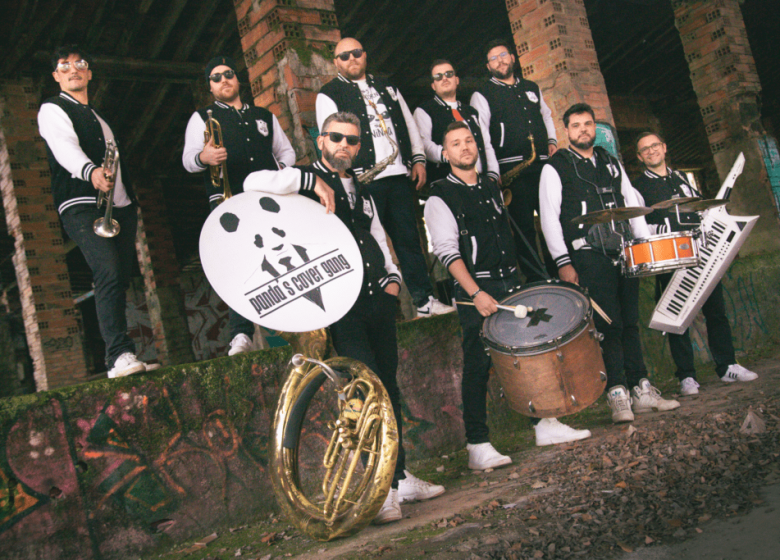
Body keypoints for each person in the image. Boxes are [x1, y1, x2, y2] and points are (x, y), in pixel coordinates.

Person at [243, 112, 445, 525]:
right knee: (363, 393)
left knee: (388, 388)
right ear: (321, 141)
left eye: (351, 141)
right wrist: (306, 181)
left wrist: (393, 278)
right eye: (335, 138)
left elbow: (374, 236)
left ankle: (400, 476)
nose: (344, 146)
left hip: (378, 299)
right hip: (339, 306)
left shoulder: (363, 189)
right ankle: (379, 490)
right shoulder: (299, 180)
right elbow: (250, 184)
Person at [425, 121, 591, 467]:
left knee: (528, 355)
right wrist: (475, 292)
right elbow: (447, 251)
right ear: (445, 153)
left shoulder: (490, 185)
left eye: (468, 140)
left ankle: (544, 424)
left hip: (511, 283)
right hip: (478, 290)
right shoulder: (439, 195)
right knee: (478, 364)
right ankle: (477, 445)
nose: (464, 147)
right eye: (455, 143)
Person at [539, 104, 680, 423]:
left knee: (630, 321)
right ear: (567, 131)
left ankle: (641, 389)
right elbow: (549, 216)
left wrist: (642, 247)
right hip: (587, 253)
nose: (583, 130)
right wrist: (563, 261)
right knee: (608, 324)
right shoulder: (555, 166)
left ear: (594, 128)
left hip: (623, 250)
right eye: (576, 126)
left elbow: (631, 202)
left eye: (588, 124)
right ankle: (617, 392)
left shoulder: (611, 162)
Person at [316, 38, 455, 318]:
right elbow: (331, 139)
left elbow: (408, 123)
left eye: (356, 53)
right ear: (336, 62)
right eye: (344, 56)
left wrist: (417, 158)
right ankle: (383, 312)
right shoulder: (328, 93)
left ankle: (425, 301)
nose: (351, 59)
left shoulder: (387, 86)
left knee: (409, 240)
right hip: (363, 181)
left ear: (365, 55)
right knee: (369, 246)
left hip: (398, 175)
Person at [37, 45, 152, 378]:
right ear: (56, 75)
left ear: (89, 73)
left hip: (119, 207)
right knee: (108, 271)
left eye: (80, 64)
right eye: (65, 65)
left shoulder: (99, 117)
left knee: (117, 276)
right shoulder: (53, 109)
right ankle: (118, 355)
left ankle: (122, 354)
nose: (74, 69)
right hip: (81, 202)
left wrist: (127, 202)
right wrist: (90, 172)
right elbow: (64, 148)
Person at [182, 55, 296, 356]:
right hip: (228, 202)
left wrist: (278, 176)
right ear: (210, 85)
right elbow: (188, 160)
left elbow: (287, 153)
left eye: (228, 74)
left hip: (267, 201)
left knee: (281, 255)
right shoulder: (202, 117)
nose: (223, 80)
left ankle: (290, 324)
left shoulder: (263, 115)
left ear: (238, 78)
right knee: (241, 266)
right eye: (216, 77)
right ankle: (241, 334)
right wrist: (203, 158)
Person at [633, 131, 758, 394]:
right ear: (639, 157)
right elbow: (638, 225)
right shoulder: (638, 187)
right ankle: (686, 376)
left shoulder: (681, 179)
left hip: (701, 254)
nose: (651, 151)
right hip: (670, 258)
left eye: (655, 145)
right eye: (645, 149)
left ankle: (727, 366)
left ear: (665, 148)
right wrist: (662, 228)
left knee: (717, 312)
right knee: (678, 317)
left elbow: (700, 210)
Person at [470, 39, 558, 283]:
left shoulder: (531, 86)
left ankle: (559, 271)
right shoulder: (482, 94)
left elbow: (547, 115)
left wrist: (551, 139)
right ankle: (537, 278)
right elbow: (482, 135)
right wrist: (493, 171)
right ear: (488, 66)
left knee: (552, 221)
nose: (500, 61)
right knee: (524, 227)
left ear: (513, 58)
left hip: (542, 166)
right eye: (494, 58)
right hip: (513, 171)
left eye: (503, 55)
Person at [413, 59, 499, 186]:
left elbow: (486, 144)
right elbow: (423, 144)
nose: (444, 79)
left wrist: (493, 174)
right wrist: (449, 156)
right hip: (447, 182)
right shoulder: (424, 110)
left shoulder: (471, 111)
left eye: (449, 74)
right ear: (433, 85)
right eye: (438, 76)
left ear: (457, 80)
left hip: (481, 181)